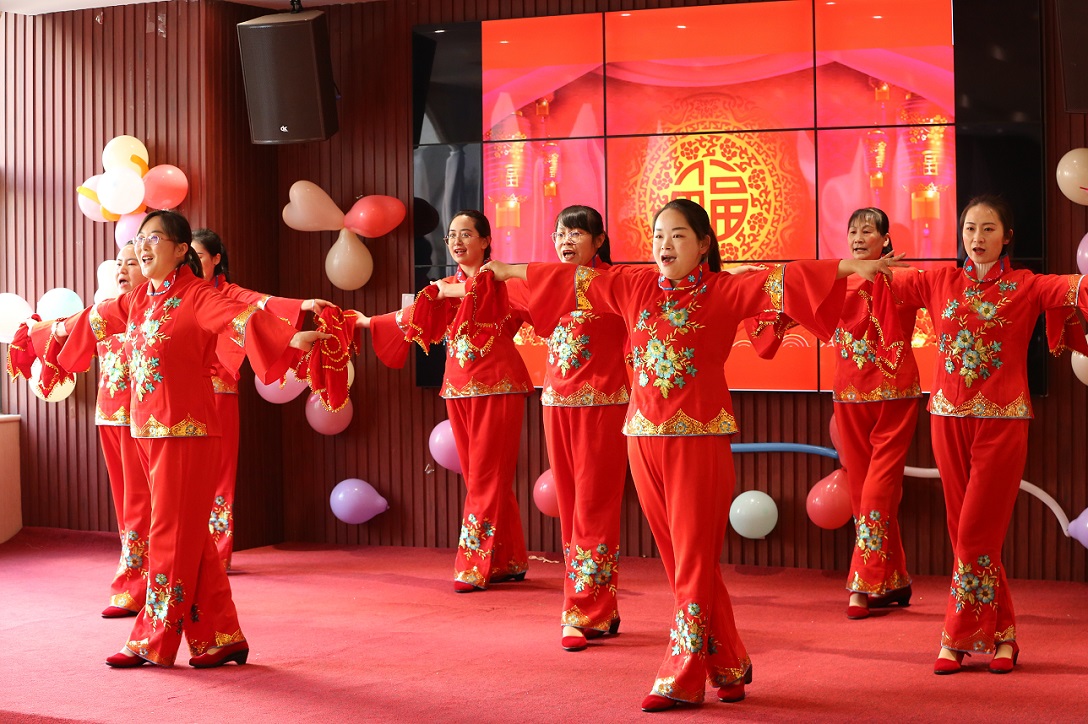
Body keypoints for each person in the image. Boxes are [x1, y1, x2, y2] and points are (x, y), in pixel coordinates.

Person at [486, 198, 901, 712]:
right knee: (681, 562)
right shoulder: (633, 285)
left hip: (699, 443)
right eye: (659, 236)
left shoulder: (724, 291)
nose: (665, 245)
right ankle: (729, 663)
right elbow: (571, 281)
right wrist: (508, 270)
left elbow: (786, 279)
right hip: (642, 439)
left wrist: (850, 266)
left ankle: (682, 672)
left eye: (678, 235)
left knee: (694, 560)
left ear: (703, 244)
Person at [33, 210, 329, 668]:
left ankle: (151, 640)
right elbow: (96, 318)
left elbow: (240, 317)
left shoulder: (197, 295)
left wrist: (289, 340)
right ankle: (220, 637)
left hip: (187, 432)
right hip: (146, 430)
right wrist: (50, 332)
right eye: (140, 238)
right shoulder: (140, 298)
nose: (143, 246)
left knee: (168, 533)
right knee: (191, 536)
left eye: (154, 238)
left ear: (179, 250)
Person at [885, 195, 1088, 674]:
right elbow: (877, 285)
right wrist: (864, 266)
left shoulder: (1027, 285)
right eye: (970, 228)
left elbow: (1078, 289)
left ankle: (956, 638)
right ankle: (1003, 637)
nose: (977, 238)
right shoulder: (939, 281)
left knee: (977, 528)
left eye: (988, 229)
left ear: (1007, 237)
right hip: (946, 416)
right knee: (964, 530)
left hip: (1003, 420)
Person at [355, 209, 533, 592]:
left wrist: (452, 291)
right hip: (457, 387)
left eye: (466, 233)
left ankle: (472, 565)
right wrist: (368, 322)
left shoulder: (502, 282)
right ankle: (508, 559)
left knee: (486, 477)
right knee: (482, 478)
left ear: (485, 241)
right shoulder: (443, 288)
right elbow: (411, 315)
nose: (456, 241)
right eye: (451, 235)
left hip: (498, 386)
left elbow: (537, 303)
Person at [510, 206, 630, 651]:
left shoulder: (616, 282)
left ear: (598, 241)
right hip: (556, 405)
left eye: (577, 233)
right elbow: (491, 297)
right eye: (561, 233)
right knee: (572, 507)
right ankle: (598, 607)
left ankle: (583, 611)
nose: (566, 240)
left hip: (604, 406)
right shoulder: (545, 285)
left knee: (595, 507)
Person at [191, 228, 327, 570]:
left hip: (219, 390)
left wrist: (303, 306)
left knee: (220, 474)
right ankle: (186, 552)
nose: (193, 262)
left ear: (216, 259)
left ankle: (217, 554)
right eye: (189, 256)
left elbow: (261, 303)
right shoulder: (181, 294)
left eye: (200, 256)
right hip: (183, 395)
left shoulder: (227, 294)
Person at [98, 242, 152, 618]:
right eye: (119, 263)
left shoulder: (153, 312)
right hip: (108, 416)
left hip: (141, 420)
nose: (123, 269)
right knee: (125, 505)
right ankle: (136, 578)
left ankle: (136, 585)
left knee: (139, 503)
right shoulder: (106, 310)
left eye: (132, 263)